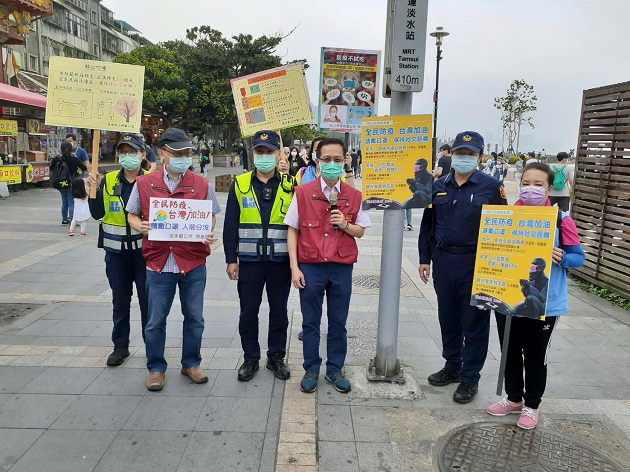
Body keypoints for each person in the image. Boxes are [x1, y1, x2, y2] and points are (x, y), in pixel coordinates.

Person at [487, 162, 584, 429]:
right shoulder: (508, 216)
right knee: (509, 350)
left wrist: (562, 257)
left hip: (545, 302)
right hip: (510, 298)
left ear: (550, 188)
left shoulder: (560, 219)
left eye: (538, 184)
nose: (531, 188)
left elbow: (579, 257)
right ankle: (513, 398)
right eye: (526, 182)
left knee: (535, 353)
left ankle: (532, 405)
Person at [126, 128, 221, 391]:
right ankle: (156, 368)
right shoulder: (145, 183)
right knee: (155, 319)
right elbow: (131, 214)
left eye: (187, 153)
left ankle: (191, 363)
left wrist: (206, 231)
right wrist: (140, 226)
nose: (183, 157)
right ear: (163, 154)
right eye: (177, 153)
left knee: (195, 317)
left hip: (192, 262)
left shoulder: (201, 183)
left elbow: (210, 213)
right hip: (158, 262)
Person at [418, 131, 508, 404]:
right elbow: (427, 224)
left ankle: (470, 378)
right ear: (451, 154)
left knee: (475, 322)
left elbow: (504, 227)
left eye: (470, 154)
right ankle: (452, 365)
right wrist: (424, 258)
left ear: (479, 157)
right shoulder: (438, 185)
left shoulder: (491, 187)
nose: (463, 158)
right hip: (444, 261)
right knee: (448, 317)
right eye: (459, 153)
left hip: (476, 263)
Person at [285, 137, 372, 394]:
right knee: (310, 322)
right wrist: (294, 267)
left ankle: (335, 369)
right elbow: (292, 230)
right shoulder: (303, 192)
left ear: (345, 160)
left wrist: (344, 224)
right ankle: (311, 369)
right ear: (317, 161)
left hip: (341, 268)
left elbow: (361, 231)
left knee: (338, 322)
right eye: (326, 159)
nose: (331, 164)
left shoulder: (354, 196)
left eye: (337, 159)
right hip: (310, 267)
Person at [223, 130, 295, 383]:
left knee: (279, 311)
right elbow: (230, 224)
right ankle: (250, 358)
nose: (264, 156)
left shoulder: (290, 185)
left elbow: (298, 226)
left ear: (278, 154)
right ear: (253, 154)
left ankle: (276, 356)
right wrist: (231, 259)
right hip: (249, 262)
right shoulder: (240, 184)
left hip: (280, 263)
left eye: (269, 152)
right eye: (259, 152)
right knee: (248, 311)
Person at [86, 133, 149, 367]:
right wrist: (92, 190)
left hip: (145, 254)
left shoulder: (152, 181)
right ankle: (120, 346)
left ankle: (150, 345)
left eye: (132, 151)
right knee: (120, 301)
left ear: (142, 154)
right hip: (116, 254)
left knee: (148, 302)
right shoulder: (108, 179)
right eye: (123, 152)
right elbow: (97, 214)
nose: (127, 156)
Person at [50, 142, 87, 225]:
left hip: (59, 182)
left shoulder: (56, 158)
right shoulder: (74, 159)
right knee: (71, 201)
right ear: (71, 149)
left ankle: (64, 219)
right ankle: (72, 220)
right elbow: (84, 168)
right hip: (71, 182)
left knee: (64, 200)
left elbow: (51, 168)